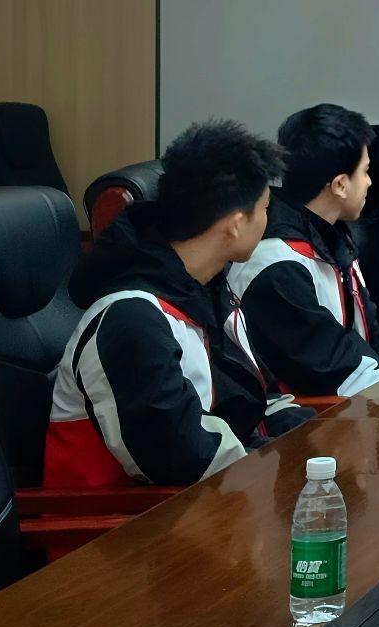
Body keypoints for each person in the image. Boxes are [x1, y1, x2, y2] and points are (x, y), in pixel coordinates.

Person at [43, 120, 307, 487]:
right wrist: (278, 472)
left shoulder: (208, 289)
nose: (270, 219)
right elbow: (181, 459)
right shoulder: (132, 319)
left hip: (217, 494)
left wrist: (311, 443)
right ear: (234, 224)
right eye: (265, 208)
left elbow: (255, 398)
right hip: (130, 517)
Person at [231, 104, 379, 397]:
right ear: (340, 185)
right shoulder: (276, 265)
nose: (370, 182)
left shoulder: (333, 238)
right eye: (365, 172)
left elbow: (371, 336)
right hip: (310, 414)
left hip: (355, 395)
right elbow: (335, 372)